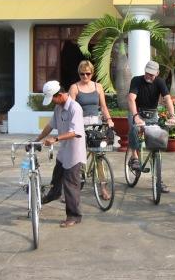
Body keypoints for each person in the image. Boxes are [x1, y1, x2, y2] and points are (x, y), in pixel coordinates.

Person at [37, 80, 86, 228]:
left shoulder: (74, 108)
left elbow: (75, 132)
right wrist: (37, 139)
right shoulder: (58, 108)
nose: (52, 102)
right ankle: (54, 194)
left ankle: (74, 216)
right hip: (64, 151)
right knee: (57, 175)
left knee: (70, 184)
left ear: (60, 95)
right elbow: (50, 125)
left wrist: (56, 139)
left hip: (74, 152)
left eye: (53, 98)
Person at [127, 60, 175, 193]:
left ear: (157, 73)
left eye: (152, 75)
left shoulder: (160, 82)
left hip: (153, 114)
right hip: (138, 111)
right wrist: (136, 116)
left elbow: (167, 99)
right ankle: (135, 158)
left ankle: (158, 181)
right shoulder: (136, 80)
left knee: (156, 145)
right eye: (147, 73)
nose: (149, 76)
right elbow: (131, 98)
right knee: (134, 128)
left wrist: (172, 116)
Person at [69, 60, 114, 200]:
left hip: (96, 122)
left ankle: (103, 188)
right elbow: (70, 109)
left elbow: (104, 107)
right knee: (77, 157)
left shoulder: (98, 86)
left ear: (92, 73)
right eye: (82, 74)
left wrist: (109, 119)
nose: (85, 77)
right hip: (80, 123)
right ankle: (72, 188)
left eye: (88, 74)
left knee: (99, 155)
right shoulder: (74, 87)